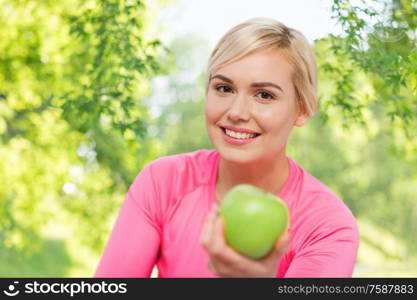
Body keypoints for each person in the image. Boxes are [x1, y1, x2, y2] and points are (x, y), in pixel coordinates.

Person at [94, 17, 359, 278]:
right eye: (224, 88)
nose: (237, 112)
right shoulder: (163, 182)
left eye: (264, 95)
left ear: (302, 109)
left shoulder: (328, 226)